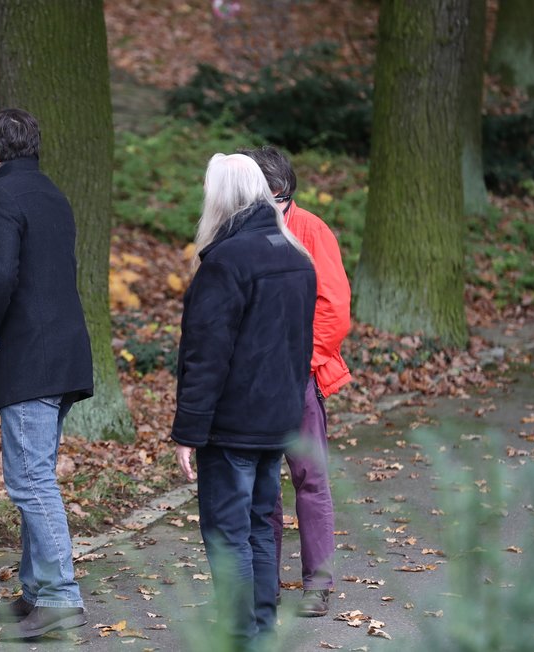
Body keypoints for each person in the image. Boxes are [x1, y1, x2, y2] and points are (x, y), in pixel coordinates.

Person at [0, 108, 94, 640]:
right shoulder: (51, 193)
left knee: (30, 480)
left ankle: (60, 594)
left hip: (31, 357)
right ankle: (37, 591)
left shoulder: (0, 195)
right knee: (36, 472)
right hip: (64, 353)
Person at [172, 154, 315, 648]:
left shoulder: (227, 260)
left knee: (229, 533)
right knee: (257, 526)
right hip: (276, 421)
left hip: (232, 425)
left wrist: (188, 433)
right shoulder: (295, 254)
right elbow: (300, 347)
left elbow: (206, 356)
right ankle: (260, 632)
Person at [241, 146, 352, 618]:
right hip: (254, 379)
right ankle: (265, 582)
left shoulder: (310, 229)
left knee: (309, 478)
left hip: (298, 376)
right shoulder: (241, 228)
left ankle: (318, 583)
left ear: (282, 192)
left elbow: (334, 308)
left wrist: (303, 363)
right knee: (261, 483)